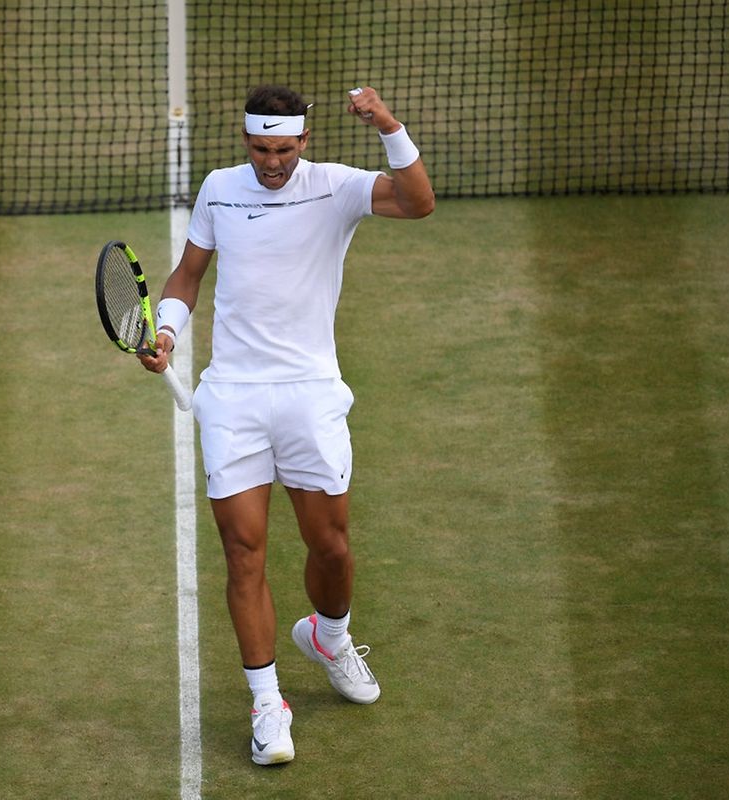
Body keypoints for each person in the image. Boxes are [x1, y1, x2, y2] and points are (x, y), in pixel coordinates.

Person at [139, 84, 434, 766]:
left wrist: (388, 124)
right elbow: (187, 276)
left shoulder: (336, 187)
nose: (271, 162)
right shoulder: (219, 189)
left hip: (310, 394)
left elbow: (418, 202)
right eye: (259, 149)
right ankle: (268, 705)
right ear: (246, 142)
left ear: (305, 140)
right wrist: (167, 331)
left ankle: (329, 636)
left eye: (283, 149)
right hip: (233, 397)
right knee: (243, 552)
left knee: (330, 546)